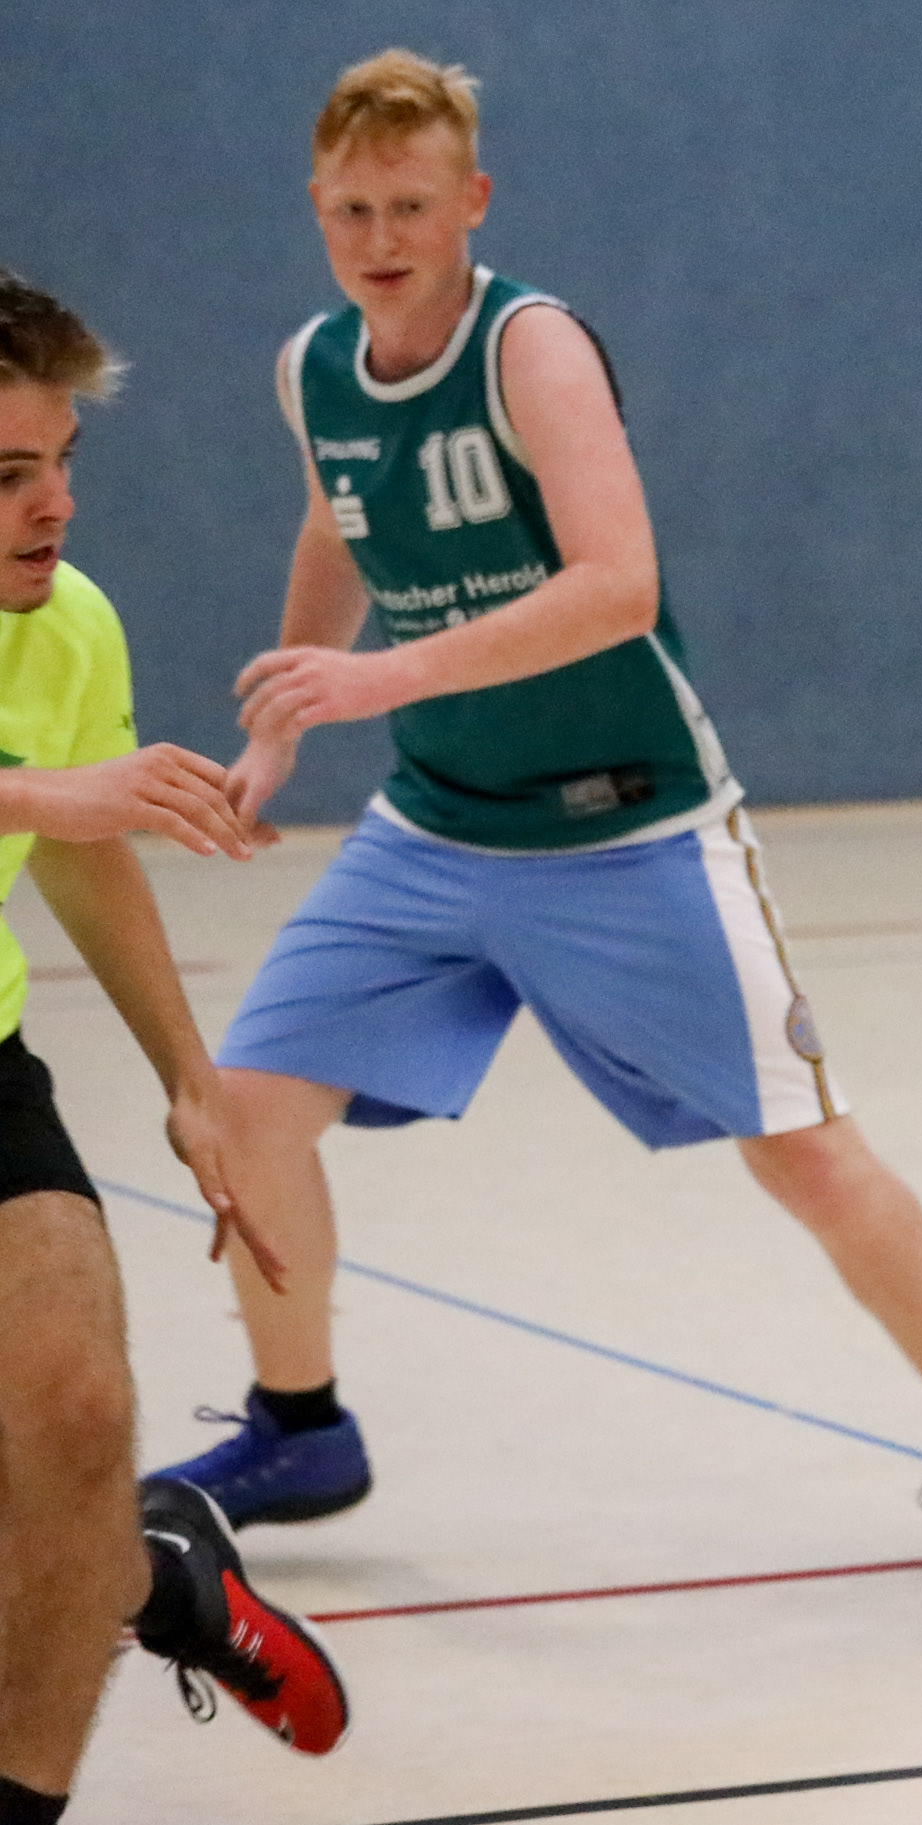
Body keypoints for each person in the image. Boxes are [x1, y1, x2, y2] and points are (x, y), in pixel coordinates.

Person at [148, 50, 922, 1599]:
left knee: (808, 1158)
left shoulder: (532, 348)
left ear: (472, 200)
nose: (380, 237)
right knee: (245, 1110)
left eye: (409, 206)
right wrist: (276, 732)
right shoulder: (314, 365)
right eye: (351, 211)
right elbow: (337, 521)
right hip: (435, 827)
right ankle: (300, 1424)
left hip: (628, 828)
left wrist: (383, 674)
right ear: (316, 207)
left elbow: (617, 587)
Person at [0, 270, 349, 1821]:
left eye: (63, 461)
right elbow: (59, 807)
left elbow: (87, 853)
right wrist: (41, 792)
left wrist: (190, 1081)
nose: (54, 505)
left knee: (76, 1417)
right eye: (9, 473)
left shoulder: (67, 624)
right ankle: (142, 1571)